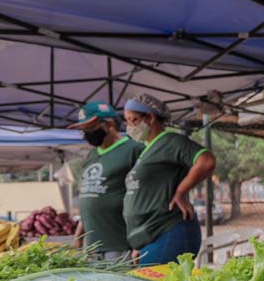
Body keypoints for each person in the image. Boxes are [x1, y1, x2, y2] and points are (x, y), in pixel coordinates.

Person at [121, 94, 216, 265]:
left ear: (150, 118)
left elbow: (206, 160)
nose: (129, 127)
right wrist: (139, 242)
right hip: (153, 236)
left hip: (169, 229)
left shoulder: (171, 141)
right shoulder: (148, 149)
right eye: (127, 121)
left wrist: (181, 192)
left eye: (133, 120)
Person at [69, 102, 143, 261]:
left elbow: (145, 196)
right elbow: (88, 196)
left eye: (90, 128)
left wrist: (139, 243)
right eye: (83, 130)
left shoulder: (134, 150)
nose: (86, 134)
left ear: (109, 124)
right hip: (93, 246)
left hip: (120, 244)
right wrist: (78, 236)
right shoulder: (92, 155)